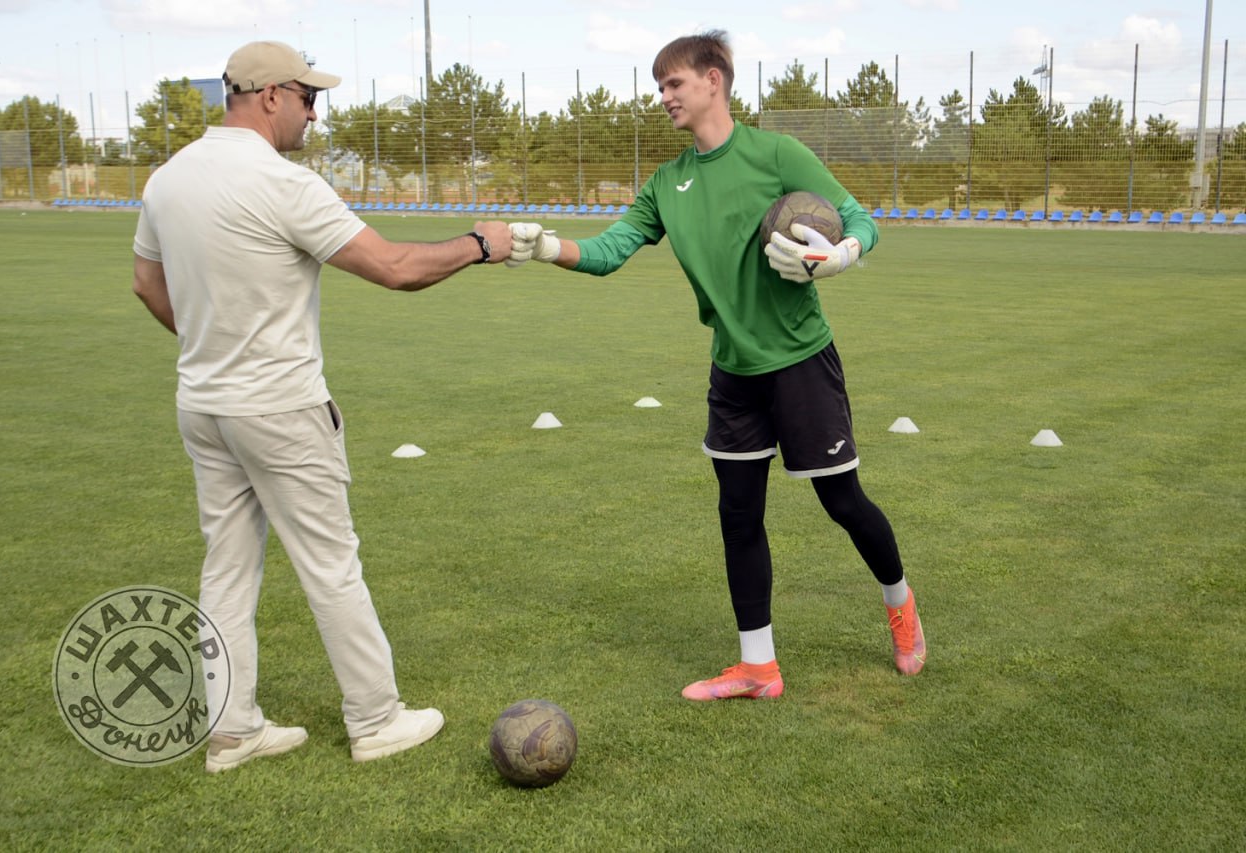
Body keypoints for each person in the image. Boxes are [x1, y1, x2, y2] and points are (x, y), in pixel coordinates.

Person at [505, 30, 925, 701]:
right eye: (660, 87)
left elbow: (856, 217)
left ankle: (900, 605)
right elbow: (612, 249)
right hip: (733, 370)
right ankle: (758, 667)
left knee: (841, 500)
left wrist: (837, 255)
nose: (663, 97)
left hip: (800, 359)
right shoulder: (668, 183)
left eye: (673, 84)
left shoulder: (775, 153)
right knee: (738, 514)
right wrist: (545, 246)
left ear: (713, 81)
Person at [132, 40, 513, 771]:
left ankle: (234, 729)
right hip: (279, 406)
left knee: (227, 567)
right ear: (271, 94)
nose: (314, 113)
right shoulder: (283, 183)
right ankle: (376, 718)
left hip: (204, 404)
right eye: (309, 98)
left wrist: (215, 341)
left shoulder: (168, 178)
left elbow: (149, 287)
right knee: (331, 563)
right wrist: (478, 243)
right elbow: (396, 269)